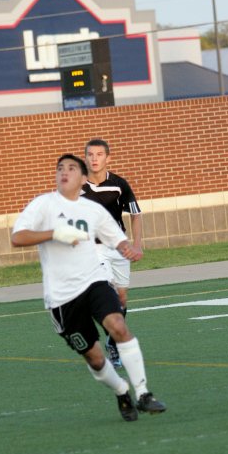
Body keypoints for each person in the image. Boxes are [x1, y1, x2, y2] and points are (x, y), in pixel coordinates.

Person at [11, 153, 166, 422]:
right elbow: (18, 237)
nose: (64, 172)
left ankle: (143, 394)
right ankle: (121, 391)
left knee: (118, 326)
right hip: (62, 298)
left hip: (94, 282)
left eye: (71, 168)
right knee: (94, 358)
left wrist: (128, 248)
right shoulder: (43, 205)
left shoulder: (93, 210)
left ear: (83, 179)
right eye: (60, 168)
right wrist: (54, 233)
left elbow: (117, 239)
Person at [81, 138, 143, 368]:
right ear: (85, 158)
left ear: (108, 158)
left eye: (99, 154)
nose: (94, 159)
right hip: (92, 249)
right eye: (90, 154)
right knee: (105, 292)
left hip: (119, 247)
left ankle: (112, 343)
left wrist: (136, 245)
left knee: (122, 299)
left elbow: (136, 214)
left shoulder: (119, 184)